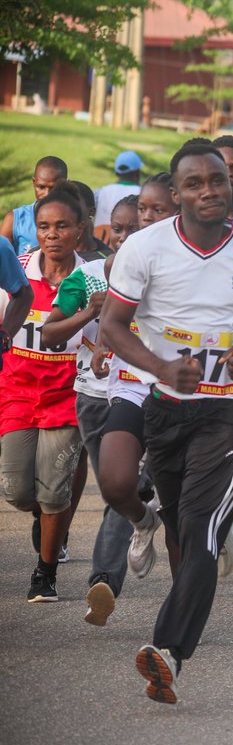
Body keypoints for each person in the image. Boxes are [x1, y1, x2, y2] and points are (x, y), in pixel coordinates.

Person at [103, 142, 233, 703]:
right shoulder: (145, 247)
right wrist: (160, 366)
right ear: (177, 193)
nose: (210, 190)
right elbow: (114, 326)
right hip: (165, 409)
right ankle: (182, 619)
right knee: (185, 531)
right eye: (195, 184)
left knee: (203, 526)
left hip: (227, 413)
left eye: (218, 180)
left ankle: (169, 652)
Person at [75, 179, 179, 627]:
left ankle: (179, 600)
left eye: (158, 211)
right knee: (119, 486)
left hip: (183, 388)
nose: (148, 219)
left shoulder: (192, 259)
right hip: (129, 384)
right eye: (145, 212)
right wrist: (101, 346)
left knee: (172, 493)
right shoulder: (120, 262)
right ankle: (137, 531)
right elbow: (111, 321)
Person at [41, 192, 145, 622]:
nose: (124, 238)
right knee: (114, 488)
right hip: (96, 397)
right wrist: (87, 313)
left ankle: (102, 579)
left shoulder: (165, 279)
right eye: (117, 229)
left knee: (134, 485)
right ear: (106, 232)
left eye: (134, 230)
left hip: (149, 396)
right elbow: (49, 334)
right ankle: (143, 519)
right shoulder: (86, 279)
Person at [1, 185, 88, 602]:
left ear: (80, 230)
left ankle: (45, 572)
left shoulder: (91, 278)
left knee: (55, 489)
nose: (51, 235)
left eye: (62, 226)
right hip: (17, 389)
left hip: (67, 394)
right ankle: (42, 513)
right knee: (18, 490)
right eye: (43, 227)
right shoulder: (16, 269)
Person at [2, 156, 68, 255]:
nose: (47, 194)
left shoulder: (73, 219)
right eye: (41, 187)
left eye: (53, 188)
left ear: (65, 185)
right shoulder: (16, 219)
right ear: (34, 182)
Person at [94, 150, 143, 244]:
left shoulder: (101, 192)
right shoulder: (142, 193)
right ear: (137, 173)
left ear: (116, 173)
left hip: (100, 245)